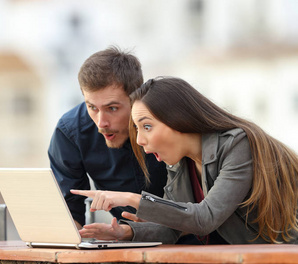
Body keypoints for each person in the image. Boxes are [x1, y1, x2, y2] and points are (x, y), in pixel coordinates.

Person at [72, 76, 298, 244]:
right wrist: (125, 232)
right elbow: (174, 229)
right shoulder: (180, 164)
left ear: (178, 120)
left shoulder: (238, 145)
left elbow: (205, 218)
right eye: (137, 129)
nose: (139, 140)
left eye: (147, 126)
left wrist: (132, 199)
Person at [48, 47, 167, 229]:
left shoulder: (168, 119)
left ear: (137, 98)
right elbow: (70, 214)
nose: (101, 123)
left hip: (193, 239)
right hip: (125, 243)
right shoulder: (70, 132)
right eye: (92, 107)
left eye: (112, 108)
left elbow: (196, 208)